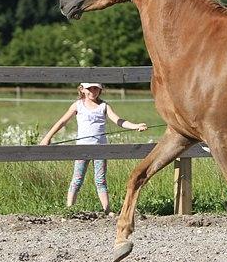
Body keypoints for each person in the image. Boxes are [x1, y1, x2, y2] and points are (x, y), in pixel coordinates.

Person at [39, 82, 147, 214]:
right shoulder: (77, 105)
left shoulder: (104, 106)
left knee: (100, 180)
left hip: (100, 150)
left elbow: (118, 120)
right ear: (82, 89)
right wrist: (47, 137)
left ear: (100, 90)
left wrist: (135, 126)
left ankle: (107, 210)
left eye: (96, 88)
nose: (93, 91)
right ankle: (69, 209)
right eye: (89, 88)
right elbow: (62, 121)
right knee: (77, 179)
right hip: (81, 150)